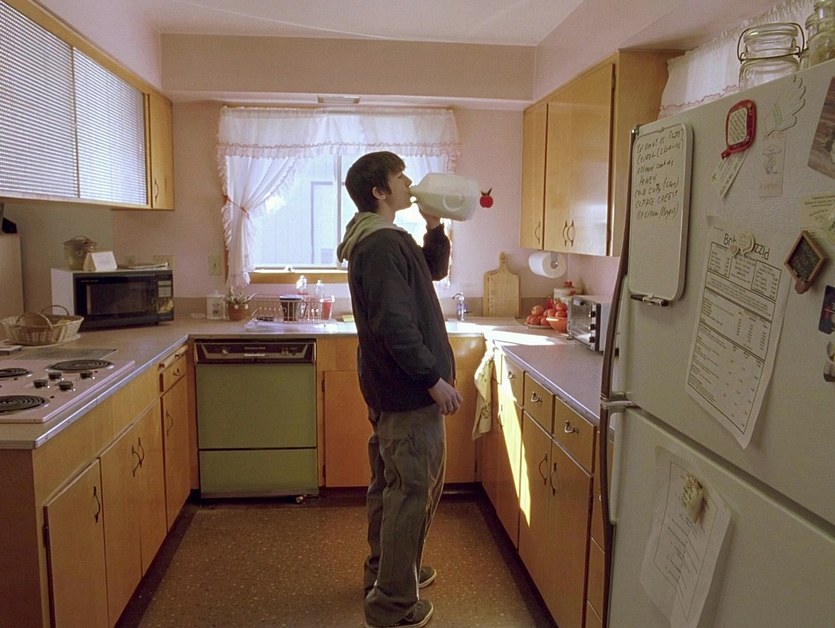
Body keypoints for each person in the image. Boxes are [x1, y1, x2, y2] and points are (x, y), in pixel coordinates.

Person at [336, 151, 463, 628]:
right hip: (409, 393)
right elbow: (394, 323)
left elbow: (432, 270)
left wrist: (434, 226)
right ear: (379, 191)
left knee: (391, 487)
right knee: (411, 493)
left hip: (391, 389)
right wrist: (433, 380)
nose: (409, 182)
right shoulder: (381, 244)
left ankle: (389, 571)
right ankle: (391, 602)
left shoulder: (381, 236)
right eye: (400, 176)